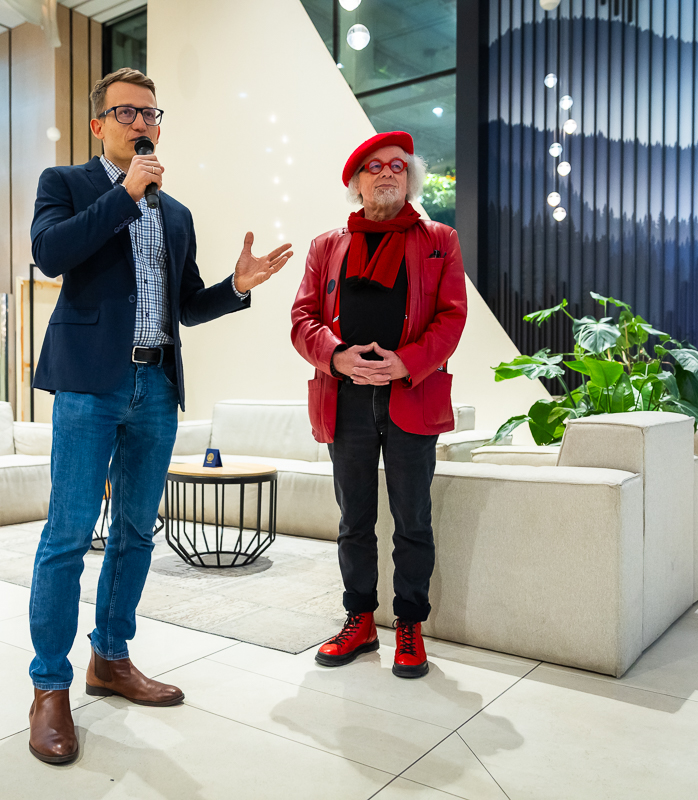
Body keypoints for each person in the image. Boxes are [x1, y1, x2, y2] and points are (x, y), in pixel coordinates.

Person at [25, 67, 292, 765]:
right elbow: (51, 254)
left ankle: (111, 658)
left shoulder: (176, 214)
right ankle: (49, 685)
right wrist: (125, 195)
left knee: (137, 532)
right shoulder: (67, 183)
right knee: (68, 535)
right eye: (127, 112)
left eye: (151, 113)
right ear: (98, 125)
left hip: (156, 384)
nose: (142, 123)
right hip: (89, 383)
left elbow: (188, 306)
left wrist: (236, 286)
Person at [291, 131, 467, 679]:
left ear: (409, 179)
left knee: (413, 519)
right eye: (374, 166)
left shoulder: (440, 240)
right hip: (344, 399)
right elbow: (302, 319)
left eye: (397, 165)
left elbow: (452, 317)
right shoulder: (327, 246)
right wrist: (336, 356)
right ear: (357, 183)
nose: (387, 173)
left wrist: (406, 362)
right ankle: (361, 620)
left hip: (411, 396)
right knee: (354, 521)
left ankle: (409, 624)